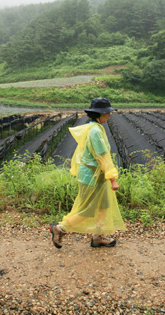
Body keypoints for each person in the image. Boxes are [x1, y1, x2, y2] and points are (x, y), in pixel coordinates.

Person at [50, 97, 126, 248]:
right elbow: (102, 156)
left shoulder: (94, 127)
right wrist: (113, 179)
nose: (109, 115)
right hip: (91, 176)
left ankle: (97, 237)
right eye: (107, 113)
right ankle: (59, 228)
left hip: (98, 176)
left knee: (103, 206)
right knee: (87, 209)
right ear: (99, 114)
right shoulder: (95, 132)